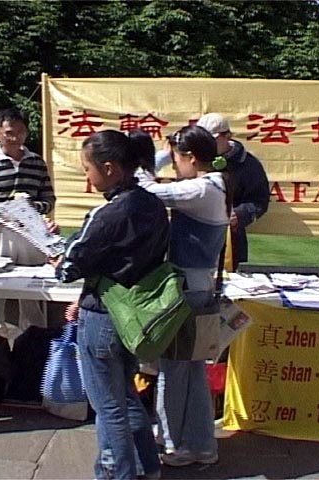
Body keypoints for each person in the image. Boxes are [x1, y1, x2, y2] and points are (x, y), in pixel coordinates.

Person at [55, 130, 166, 480]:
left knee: (109, 408)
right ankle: (148, 467)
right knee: (126, 397)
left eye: (87, 169)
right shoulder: (153, 205)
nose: (87, 177)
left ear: (109, 168)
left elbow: (68, 268)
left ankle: (118, 474)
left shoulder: (109, 213)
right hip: (135, 315)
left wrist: (59, 257)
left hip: (102, 316)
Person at [137, 125, 231, 467]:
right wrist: (170, 150)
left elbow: (145, 188)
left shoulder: (200, 189)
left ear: (191, 158)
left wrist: (150, 157)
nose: (174, 165)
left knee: (174, 372)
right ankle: (201, 445)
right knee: (191, 373)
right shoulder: (214, 185)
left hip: (186, 291)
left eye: (177, 158)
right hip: (198, 287)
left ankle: (173, 443)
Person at [0, 107, 56, 338]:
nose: (15, 138)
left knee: (35, 292)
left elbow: (48, 199)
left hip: (30, 233)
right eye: (9, 133)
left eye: (20, 132)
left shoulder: (36, 162)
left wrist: (31, 208)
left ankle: (35, 343)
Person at [196, 113, 269, 270]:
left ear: (227, 136)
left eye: (211, 140)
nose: (206, 145)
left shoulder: (248, 164)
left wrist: (240, 214)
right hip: (194, 239)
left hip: (230, 240)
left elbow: (259, 201)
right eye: (202, 140)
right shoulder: (192, 159)